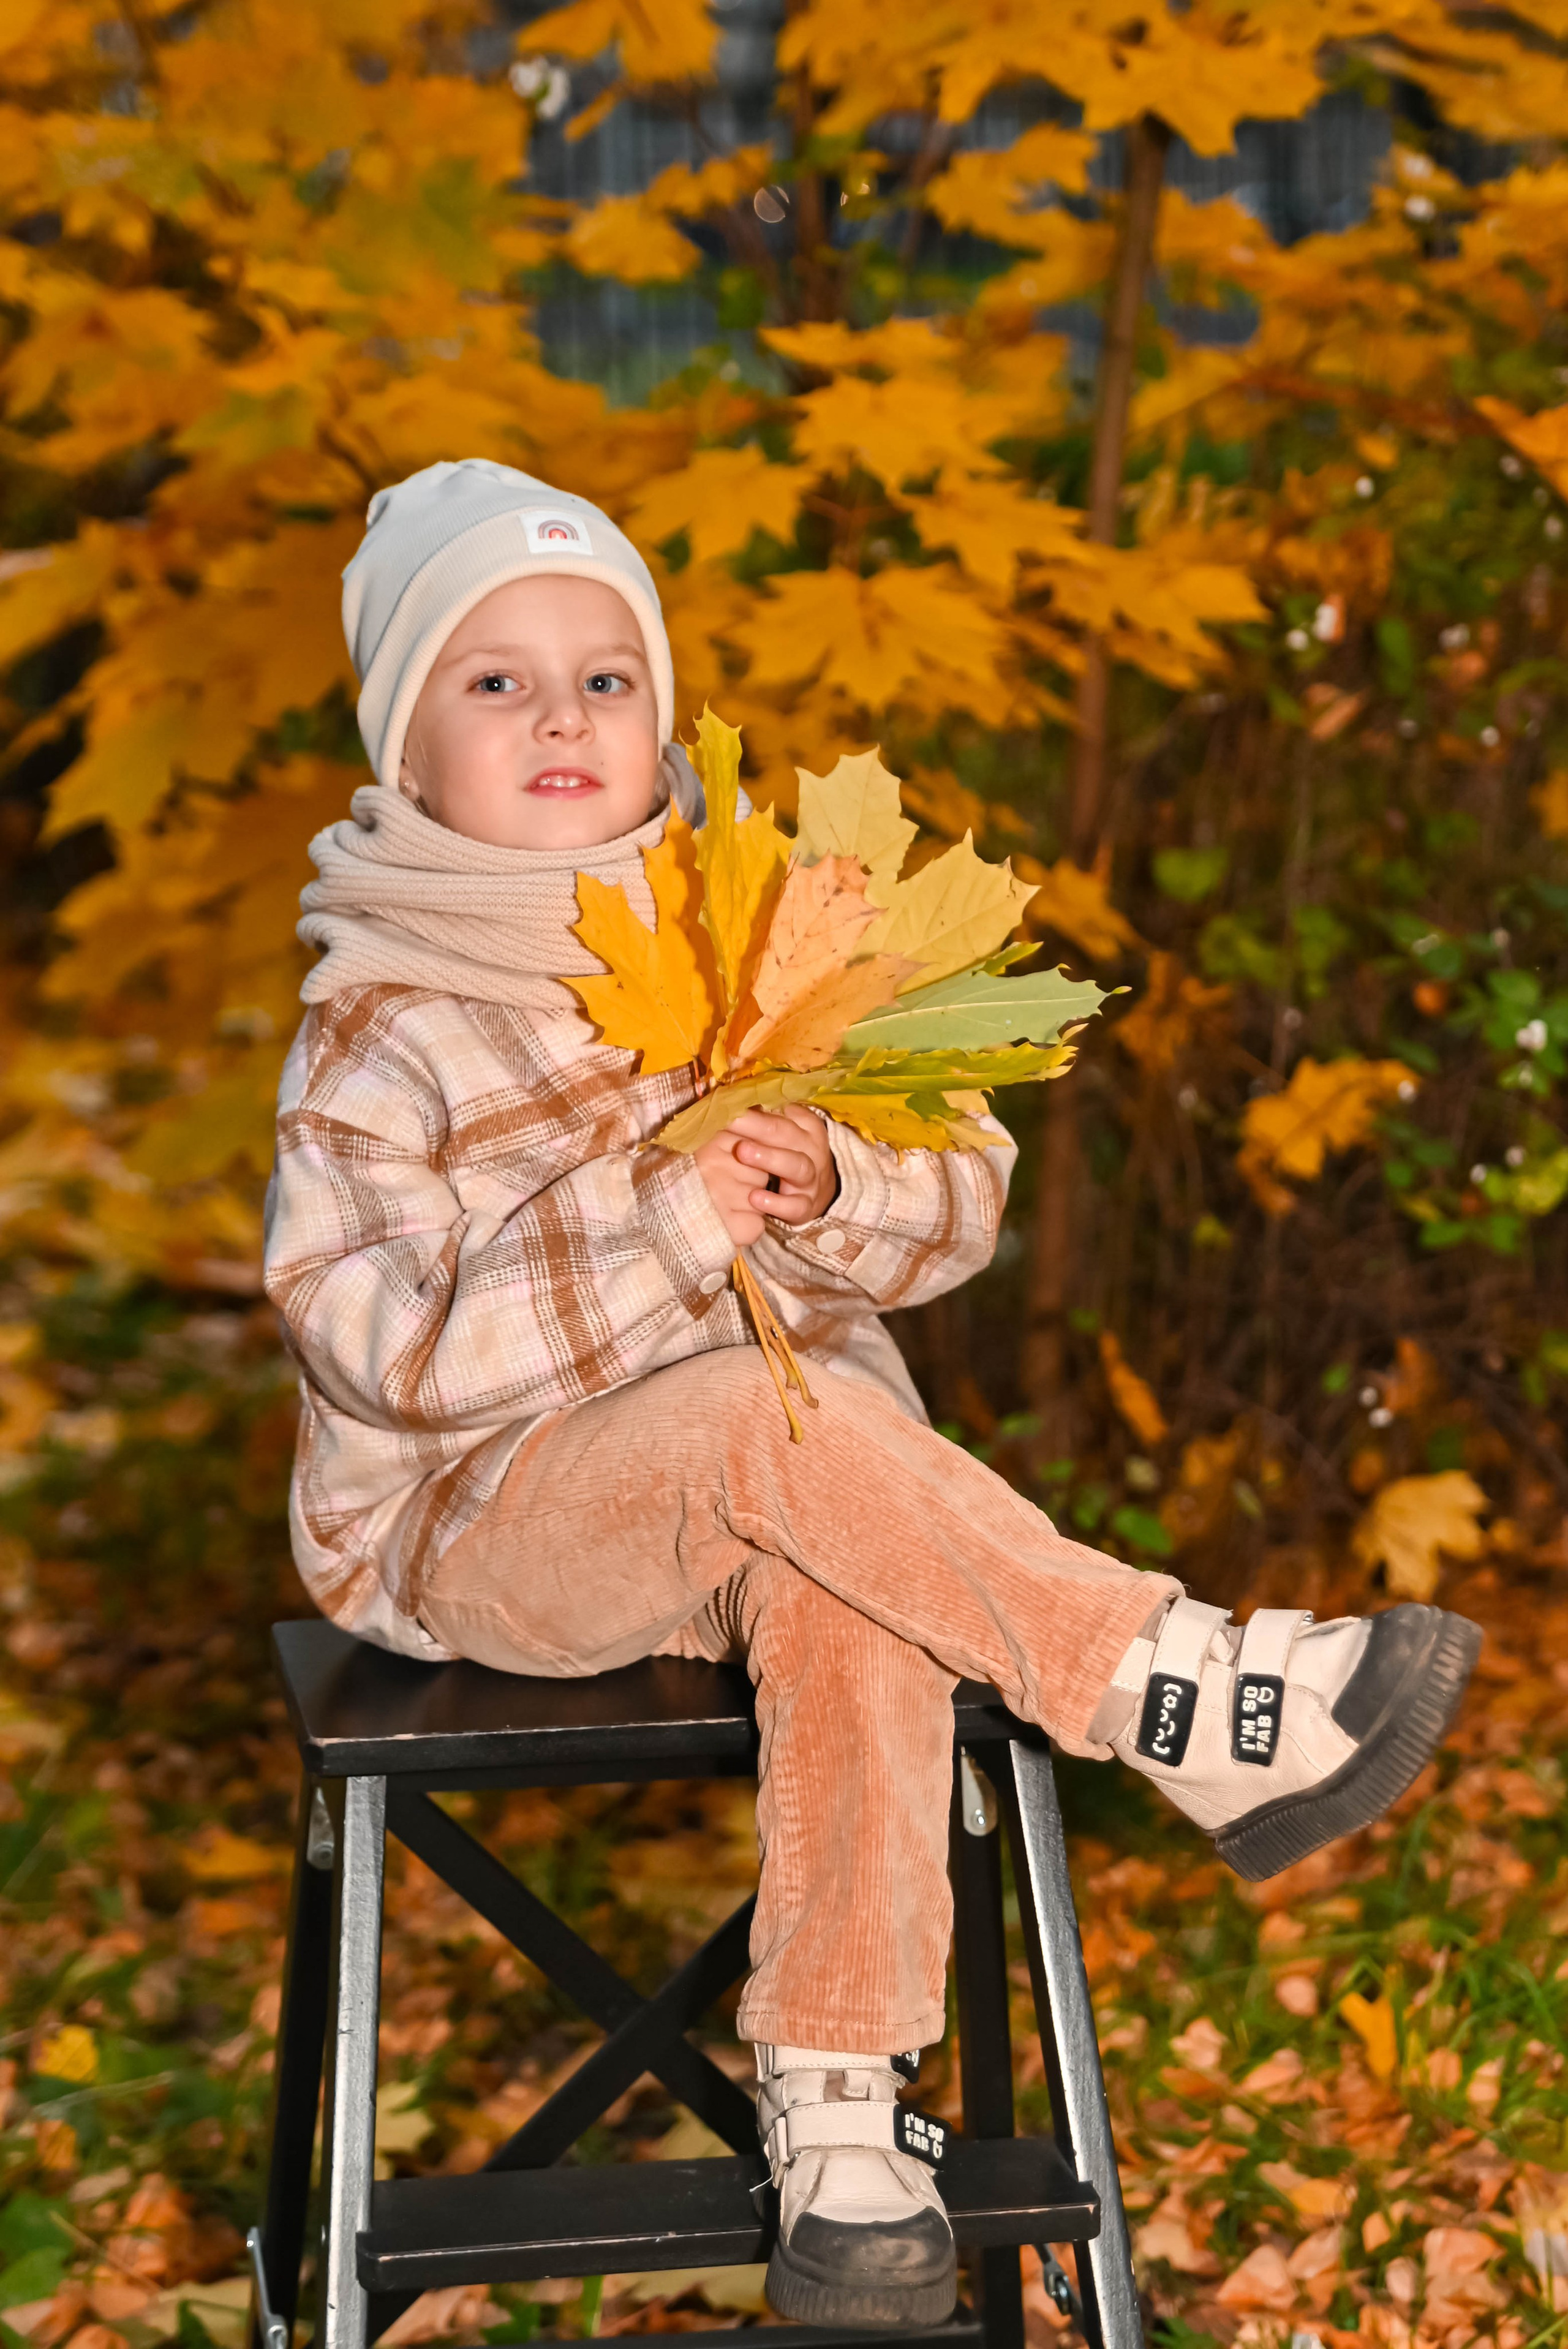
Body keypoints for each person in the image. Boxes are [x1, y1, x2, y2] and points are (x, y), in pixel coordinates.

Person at [264, 459, 1480, 2332]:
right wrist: (664, 1210)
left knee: (847, 1544)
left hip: (792, 1478)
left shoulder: (751, 924)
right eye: (493, 680)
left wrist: (841, 1185)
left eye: (607, 673)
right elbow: (382, 1345)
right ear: (405, 740)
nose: (566, 714)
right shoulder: (382, 1017)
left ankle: (841, 2122)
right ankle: (1170, 1685)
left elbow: (958, 1193)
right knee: (797, 1432)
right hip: (485, 1524)